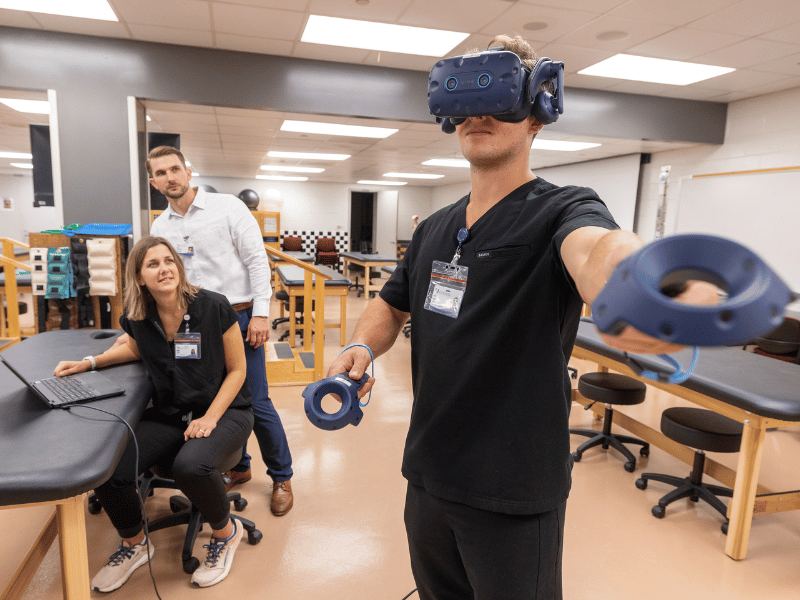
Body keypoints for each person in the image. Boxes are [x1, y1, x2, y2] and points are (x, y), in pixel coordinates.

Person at [326, 35, 718, 600]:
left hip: (512, 491)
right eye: (465, 97)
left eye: (501, 95)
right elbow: (392, 302)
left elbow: (597, 250)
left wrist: (639, 289)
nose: (477, 115)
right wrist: (362, 348)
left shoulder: (562, 209)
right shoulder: (436, 226)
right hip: (429, 475)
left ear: (537, 113)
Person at [54, 236, 254, 591]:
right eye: (152, 264)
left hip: (225, 411)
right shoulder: (138, 317)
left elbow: (238, 370)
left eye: (168, 261)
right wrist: (89, 362)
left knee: (190, 466)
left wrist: (209, 418)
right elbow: (134, 347)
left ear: (178, 265)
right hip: (173, 413)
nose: (163, 269)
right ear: (139, 277)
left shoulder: (213, 306)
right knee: (107, 468)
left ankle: (226, 533)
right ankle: (135, 544)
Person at [147, 146, 294, 516]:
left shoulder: (228, 207)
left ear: (188, 171)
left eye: (175, 169)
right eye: (161, 173)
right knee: (209, 398)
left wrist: (262, 314)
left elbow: (257, 261)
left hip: (242, 319)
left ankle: (281, 476)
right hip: (192, 326)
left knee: (255, 402)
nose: (170, 178)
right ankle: (239, 467)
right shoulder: (160, 227)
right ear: (153, 181)